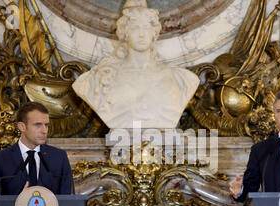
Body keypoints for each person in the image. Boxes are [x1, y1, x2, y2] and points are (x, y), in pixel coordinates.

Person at [72, 0, 199, 129]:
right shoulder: (100, 78)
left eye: (146, 28)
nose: (141, 34)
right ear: (125, 33)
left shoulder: (181, 78)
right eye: (135, 28)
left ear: (154, 33)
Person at [0, 102, 73, 195]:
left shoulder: (59, 157)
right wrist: (17, 202)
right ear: (22, 126)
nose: (44, 131)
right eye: (38, 125)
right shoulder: (0, 159)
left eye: (46, 125)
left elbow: (69, 199)